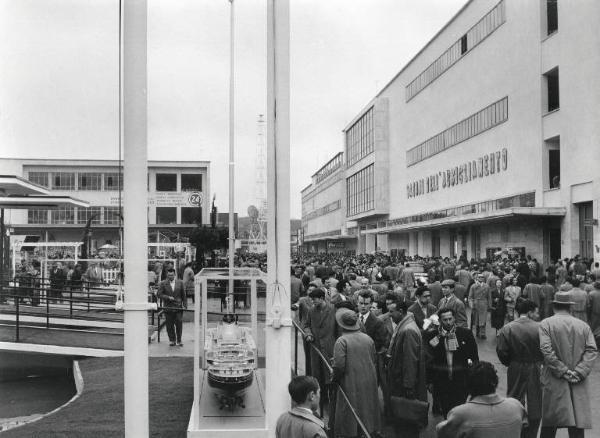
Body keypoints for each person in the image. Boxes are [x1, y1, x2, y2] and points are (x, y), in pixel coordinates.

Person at [538, 291, 598, 438]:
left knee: (550, 423)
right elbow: (591, 350)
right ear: (570, 307)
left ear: (554, 307)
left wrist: (562, 370)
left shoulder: (546, 324)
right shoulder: (583, 326)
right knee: (577, 424)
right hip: (578, 380)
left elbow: (546, 350)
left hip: (554, 379)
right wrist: (579, 371)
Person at [436, 361, 527, 438]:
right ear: (495, 382)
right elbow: (525, 427)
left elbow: (442, 432)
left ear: (469, 385)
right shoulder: (516, 406)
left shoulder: (461, 413)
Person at [496, 298, 543, 438]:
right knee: (535, 399)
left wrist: (510, 362)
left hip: (515, 365)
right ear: (529, 312)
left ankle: (516, 429)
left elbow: (501, 351)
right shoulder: (540, 327)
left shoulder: (508, 328)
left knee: (515, 397)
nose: (538, 315)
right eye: (536, 312)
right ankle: (532, 433)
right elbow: (546, 348)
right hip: (536, 365)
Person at [332, 308, 381, 438]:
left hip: (350, 379)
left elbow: (339, 366)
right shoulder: (368, 338)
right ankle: (367, 432)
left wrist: (334, 379)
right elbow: (373, 358)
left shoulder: (341, 341)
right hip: (368, 378)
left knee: (349, 409)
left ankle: (352, 433)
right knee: (366, 406)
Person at [426, 307, 479, 418]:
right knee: (447, 412)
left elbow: (474, 358)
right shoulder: (432, 336)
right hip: (441, 381)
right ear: (440, 321)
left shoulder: (465, 334)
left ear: (454, 318)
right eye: (445, 320)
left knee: (460, 411)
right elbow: (429, 361)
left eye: (450, 319)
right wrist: (430, 381)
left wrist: (473, 379)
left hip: (461, 381)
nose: (449, 322)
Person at [386, 302, 427, 438]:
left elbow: (410, 359)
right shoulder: (407, 325)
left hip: (404, 384)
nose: (390, 315)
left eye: (392, 312)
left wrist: (408, 385)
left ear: (401, 311)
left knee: (406, 420)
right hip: (404, 381)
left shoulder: (408, 330)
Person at [302, 287, 337, 403]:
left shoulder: (333, 309)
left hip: (329, 348)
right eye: (311, 300)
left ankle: (332, 399)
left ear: (322, 298)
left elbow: (338, 329)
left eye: (314, 299)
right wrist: (308, 333)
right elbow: (306, 325)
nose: (312, 302)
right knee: (318, 374)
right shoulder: (311, 311)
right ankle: (322, 400)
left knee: (330, 375)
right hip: (316, 348)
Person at [157, 268, 187, 346]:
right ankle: (172, 340)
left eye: (172, 275)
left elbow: (183, 295)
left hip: (178, 307)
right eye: (169, 275)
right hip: (168, 307)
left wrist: (185, 305)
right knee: (169, 325)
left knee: (179, 324)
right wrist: (167, 297)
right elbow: (159, 294)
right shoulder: (163, 283)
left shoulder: (180, 283)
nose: (170, 276)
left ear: (175, 275)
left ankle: (179, 340)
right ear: (167, 275)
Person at [469, 273, 492, 339]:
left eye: (482, 277)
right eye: (479, 277)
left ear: (484, 278)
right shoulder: (473, 286)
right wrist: (471, 305)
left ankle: (483, 333)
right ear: (477, 278)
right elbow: (470, 297)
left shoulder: (487, 286)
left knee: (483, 319)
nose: (481, 278)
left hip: (484, 304)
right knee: (476, 319)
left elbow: (489, 297)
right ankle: (477, 332)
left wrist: (489, 306)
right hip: (476, 304)